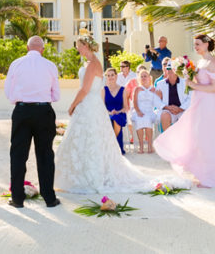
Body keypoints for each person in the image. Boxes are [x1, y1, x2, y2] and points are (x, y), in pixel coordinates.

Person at [56, 36, 167, 193]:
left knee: (93, 138)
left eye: (79, 46)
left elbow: (84, 90)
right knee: (84, 138)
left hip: (89, 104)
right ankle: (82, 171)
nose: (77, 49)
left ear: (86, 46)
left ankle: (93, 174)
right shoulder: (90, 63)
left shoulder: (94, 64)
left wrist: (72, 105)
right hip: (89, 105)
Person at [154, 35, 215, 188]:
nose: (196, 47)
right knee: (198, 137)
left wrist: (193, 84)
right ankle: (202, 174)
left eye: (198, 44)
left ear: (206, 44)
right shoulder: (200, 61)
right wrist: (186, 75)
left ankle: (211, 178)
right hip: (199, 101)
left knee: (208, 139)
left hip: (210, 102)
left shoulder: (212, 62)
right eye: (194, 44)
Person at [5, 35, 61, 208]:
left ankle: (17, 198)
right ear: (42, 49)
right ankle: (49, 198)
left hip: (22, 111)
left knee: (18, 155)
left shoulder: (16, 64)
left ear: (27, 48)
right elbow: (56, 95)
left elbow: (9, 92)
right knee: (45, 154)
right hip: (44, 111)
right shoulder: (50, 66)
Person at [130, 67, 159, 153]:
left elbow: (156, 102)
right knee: (140, 119)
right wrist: (138, 111)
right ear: (139, 78)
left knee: (147, 119)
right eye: (141, 76)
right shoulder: (137, 89)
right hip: (139, 110)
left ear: (149, 77)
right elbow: (134, 102)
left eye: (145, 76)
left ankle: (150, 146)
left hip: (149, 111)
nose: (143, 78)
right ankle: (141, 146)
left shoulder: (153, 89)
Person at [155, 60, 190, 130]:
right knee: (164, 115)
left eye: (172, 69)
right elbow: (156, 101)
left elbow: (190, 99)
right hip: (168, 110)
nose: (169, 70)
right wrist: (167, 107)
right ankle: (167, 139)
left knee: (187, 116)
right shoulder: (160, 84)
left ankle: (183, 140)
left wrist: (180, 109)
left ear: (177, 71)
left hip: (182, 110)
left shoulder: (185, 82)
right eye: (168, 68)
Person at [103, 67, 127, 154]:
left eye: (112, 75)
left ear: (116, 76)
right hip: (107, 114)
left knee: (116, 118)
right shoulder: (104, 90)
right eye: (108, 75)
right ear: (106, 77)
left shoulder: (123, 90)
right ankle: (114, 146)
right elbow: (102, 107)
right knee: (112, 118)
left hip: (120, 114)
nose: (110, 77)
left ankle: (112, 146)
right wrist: (109, 112)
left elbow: (125, 107)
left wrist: (118, 112)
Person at [119, 60, 139, 146]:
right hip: (120, 99)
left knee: (130, 114)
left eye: (123, 66)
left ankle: (133, 135)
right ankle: (130, 135)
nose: (121, 68)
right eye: (120, 66)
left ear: (127, 67)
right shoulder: (118, 76)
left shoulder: (134, 75)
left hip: (131, 99)